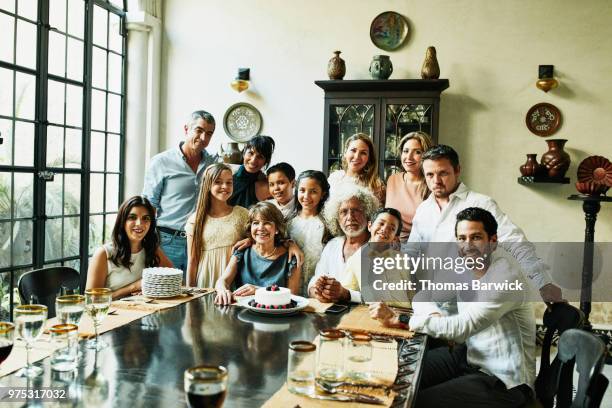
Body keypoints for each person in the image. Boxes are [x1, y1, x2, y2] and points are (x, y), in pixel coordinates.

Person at [371, 207, 535, 407]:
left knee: (413, 401)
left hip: (504, 381)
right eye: (461, 238)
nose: (467, 246)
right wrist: (435, 315)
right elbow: (423, 294)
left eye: (476, 238)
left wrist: (402, 319)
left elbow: (460, 329)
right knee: (392, 375)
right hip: (468, 357)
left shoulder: (506, 278)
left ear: (493, 241)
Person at [404, 144, 562, 302]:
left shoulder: (481, 204)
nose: (436, 181)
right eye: (430, 175)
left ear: (457, 170)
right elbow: (411, 254)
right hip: (430, 299)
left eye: (443, 173)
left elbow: (516, 242)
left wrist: (544, 283)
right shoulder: (423, 210)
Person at [142, 110, 218, 273]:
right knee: (167, 294)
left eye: (209, 134)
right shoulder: (161, 162)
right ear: (186, 129)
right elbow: (148, 206)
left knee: (196, 293)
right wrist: (151, 244)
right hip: (167, 242)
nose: (204, 138)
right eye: (199, 130)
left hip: (201, 241)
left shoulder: (212, 163)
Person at [86, 196, 173, 299]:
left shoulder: (152, 249)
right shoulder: (104, 254)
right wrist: (133, 287)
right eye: (132, 217)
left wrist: (150, 289)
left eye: (146, 218)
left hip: (145, 311)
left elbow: (176, 280)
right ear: (122, 222)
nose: (139, 224)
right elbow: (92, 301)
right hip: (112, 314)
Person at [214, 202, 301, 304]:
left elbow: (292, 297)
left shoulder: (291, 258)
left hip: (275, 316)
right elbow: (222, 281)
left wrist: (259, 291)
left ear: (277, 229)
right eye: (256, 223)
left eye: (267, 223)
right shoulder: (242, 251)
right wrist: (222, 290)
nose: (260, 228)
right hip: (241, 313)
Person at [307, 184, 379, 304]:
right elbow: (315, 280)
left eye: (356, 210)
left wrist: (346, 294)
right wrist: (317, 291)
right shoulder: (332, 246)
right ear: (337, 218)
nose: (350, 217)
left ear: (368, 214)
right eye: (343, 212)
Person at [185, 163, 249, 288]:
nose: (225, 186)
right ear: (208, 184)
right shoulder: (196, 220)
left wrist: (249, 240)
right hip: (205, 279)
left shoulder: (242, 214)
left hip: (234, 279)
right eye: (218, 182)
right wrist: (190, 292)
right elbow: (192, 261)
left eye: (229, 182)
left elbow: (258, 243)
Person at [340, 207, 408, 301]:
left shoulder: (402, 259)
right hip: (374, 312)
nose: (384, 229)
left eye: (392, 229)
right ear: (369, 226)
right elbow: (347, 292)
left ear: (395, 238)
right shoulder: (355, 260)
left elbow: (412, 292)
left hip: (405, 312)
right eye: (381, 223)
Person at [287, 170, 331, 295]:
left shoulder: (327, 224)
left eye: (313, 192)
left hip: (318, 285)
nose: (306, 196)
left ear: (322, 194)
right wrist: (289, 243)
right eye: (302, 190)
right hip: (292, 284)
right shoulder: (289, 222)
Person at [385, 131, 434, 241]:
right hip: (389, 243)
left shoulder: (432, 184)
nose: (409, 157)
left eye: (417, 152)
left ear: (426, 155)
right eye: (405, 151)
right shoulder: (393, 179)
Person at [328, 133, 385, 205]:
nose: (357, 156)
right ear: (345, 153)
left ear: (369, 158)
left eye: (363, 153)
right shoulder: (334, 178)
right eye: (353, 150)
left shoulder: (376, 185)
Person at [228, 135, 275, 208]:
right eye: (251, 153)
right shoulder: (228, 176)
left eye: (260, 157)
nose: (253, 160)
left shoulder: (267, 184)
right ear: (244, 153)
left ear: (265, 162)